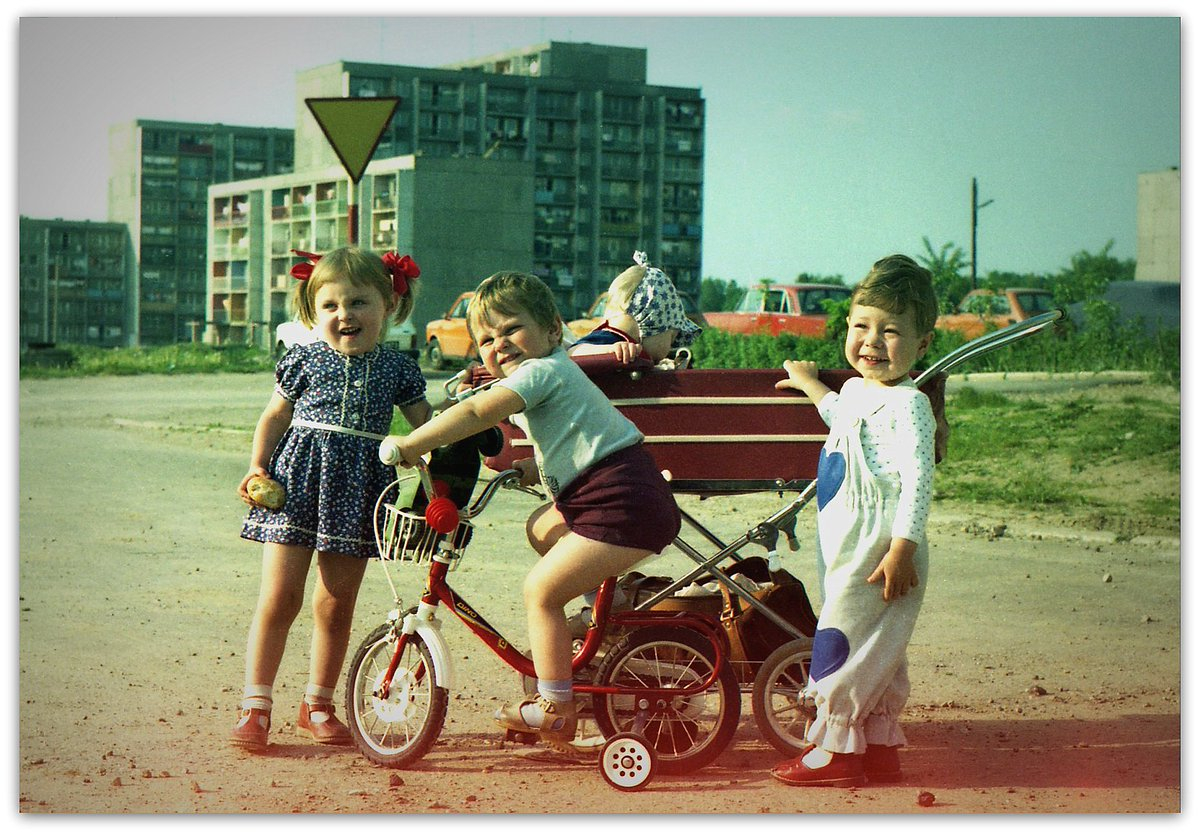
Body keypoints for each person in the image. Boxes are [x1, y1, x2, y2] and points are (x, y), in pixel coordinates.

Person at [380, 270, 680, 752]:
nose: (499, 344)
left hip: (620, 502)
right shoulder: (552, 373)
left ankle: (557, 707)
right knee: (541, 527)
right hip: (613, 496)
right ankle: (606, 611)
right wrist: (530, 470)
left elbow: (479, 412)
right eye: (486, 339)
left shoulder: (543, 372)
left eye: (511, 329)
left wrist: (411, 443)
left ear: (554, 331)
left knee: (540, 592)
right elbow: (576, 438)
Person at [230, 246, 433, 752]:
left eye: (360, 303)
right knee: (279, 598)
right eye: (331, 305)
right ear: (312, 311)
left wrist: (436, 478)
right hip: (296, 484)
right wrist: (257, 464)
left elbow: (427, 426)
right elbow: (275, 416)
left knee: (336, 603)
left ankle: (316, 704)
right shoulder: (301, 357)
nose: (346, 315)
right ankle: (255, 707)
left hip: (359, 488)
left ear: (388, 305)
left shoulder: (397, 368)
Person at [770, 254, 938, 787]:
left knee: (844, 637)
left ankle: (836, 751)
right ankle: (879, 745)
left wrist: (902, 547)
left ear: (922, 345)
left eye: (890, 332)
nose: (871, 341)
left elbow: (918, 479)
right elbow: (839, 415)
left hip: (882, 544)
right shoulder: (859, 394)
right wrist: (808, 383)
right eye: (861, 326)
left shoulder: (909, 403)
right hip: (848, 539)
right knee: (877, 644)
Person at [567, 252, 701, 365]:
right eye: (671, 338)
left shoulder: (636, 352)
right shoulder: (610, 338)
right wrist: (610, 350)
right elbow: (572, 353)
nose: (670, 347)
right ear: (651, 324)